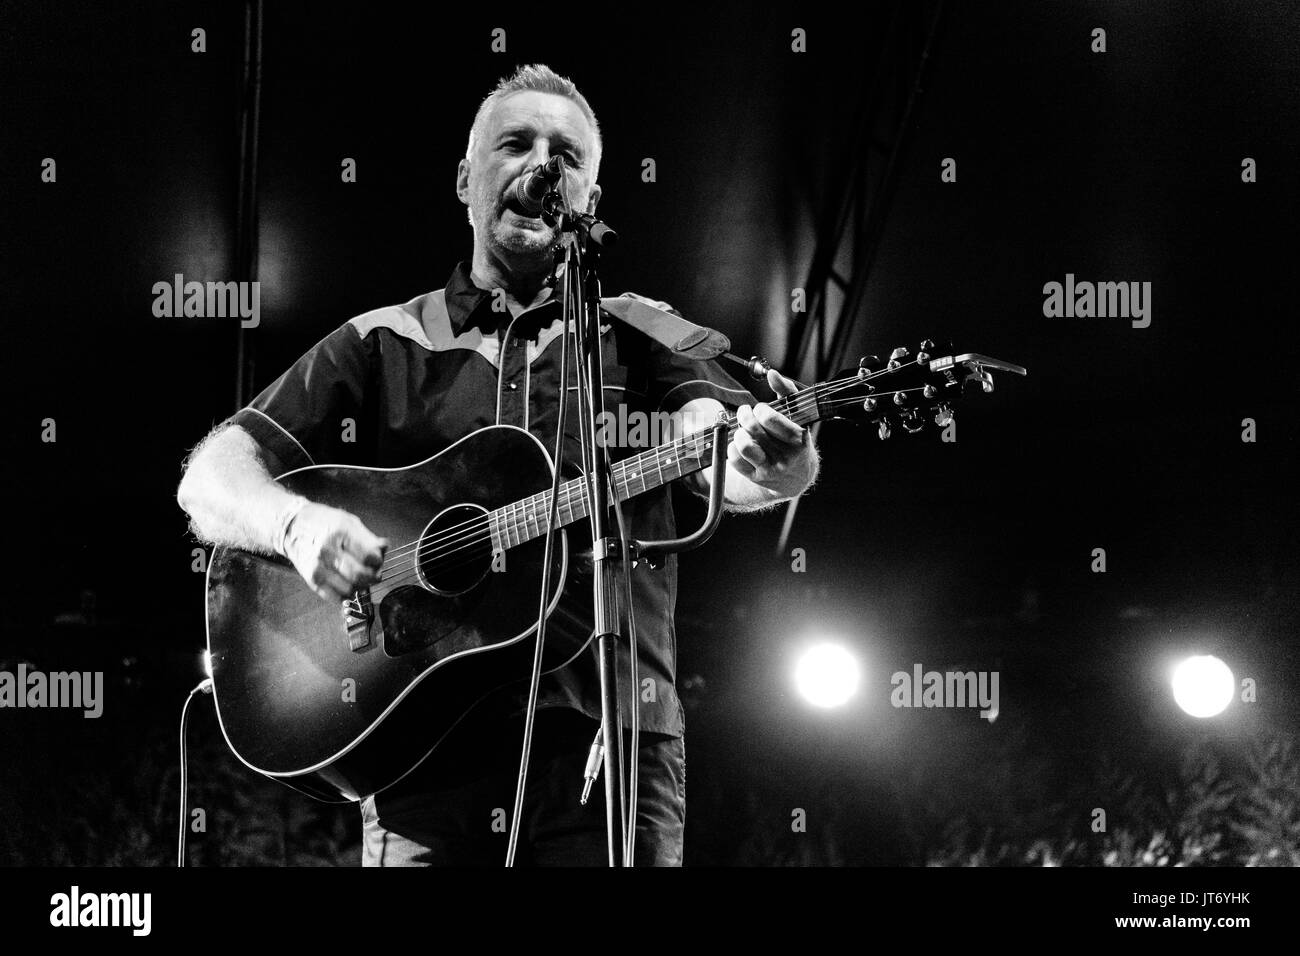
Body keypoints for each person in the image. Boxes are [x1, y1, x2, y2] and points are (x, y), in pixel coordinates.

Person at [176, 64, 818, 866]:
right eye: (516, 143)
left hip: (607, 742)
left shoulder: (645, 335)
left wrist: (773, 459)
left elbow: (717, 449)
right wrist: (296, 523)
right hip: (422, 747)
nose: (543, 165)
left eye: (568, 155)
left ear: (592, 200)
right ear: (464, 179)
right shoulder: (383, 339)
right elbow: (210, 475)